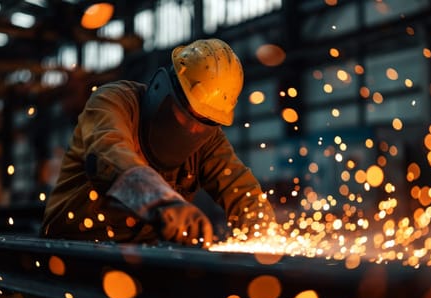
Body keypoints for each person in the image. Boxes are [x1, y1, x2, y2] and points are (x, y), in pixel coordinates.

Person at [41, 38, 275, 248]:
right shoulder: (113, 101)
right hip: (73, 250)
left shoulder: (208, 139)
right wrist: (163, 202)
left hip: (142, 255)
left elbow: (240, 187)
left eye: (205, 121)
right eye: (188, 114)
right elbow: (109, 156)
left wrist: (263, 235)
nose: (194, 128)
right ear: (165, 88)